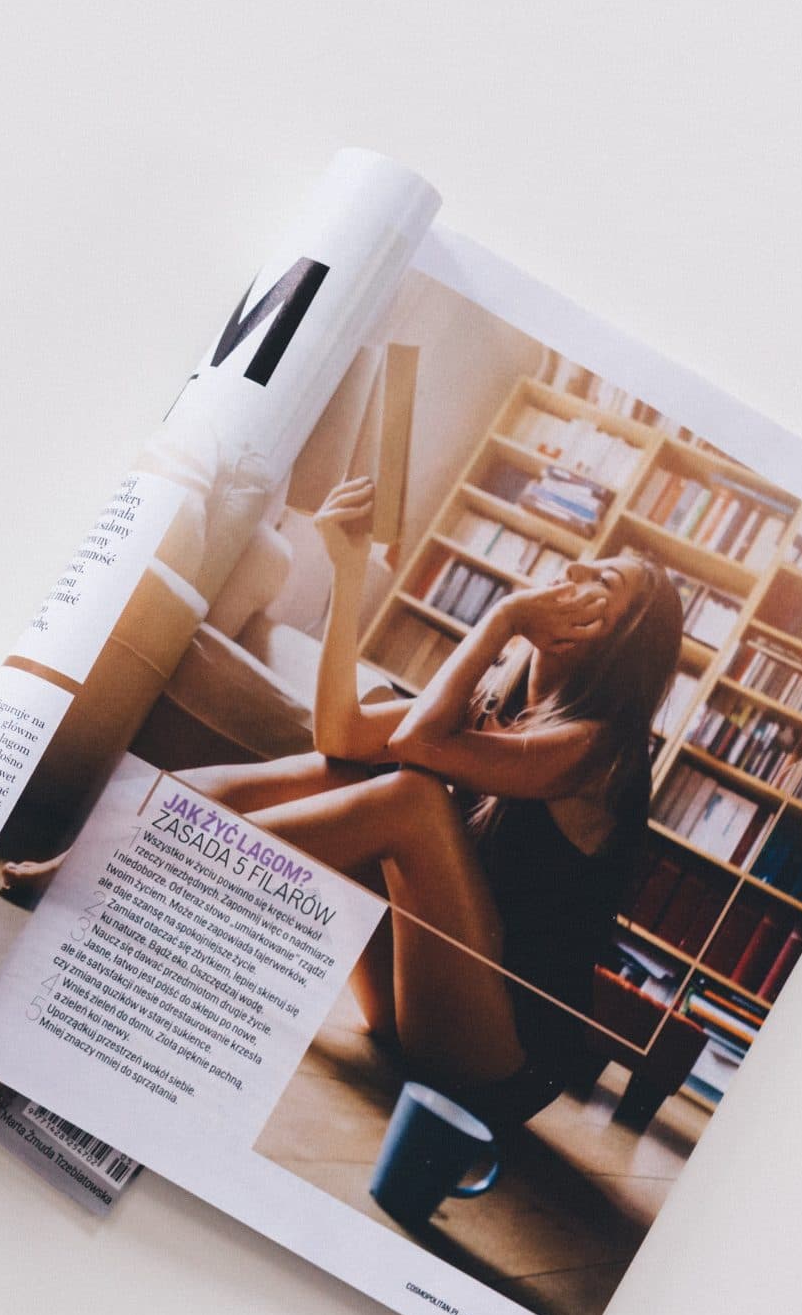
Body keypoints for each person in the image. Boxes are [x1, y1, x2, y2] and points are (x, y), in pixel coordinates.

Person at [180, 475, 683, 1128]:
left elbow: (416, 747)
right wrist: (350, 568)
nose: (575, 565)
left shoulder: (601, 751)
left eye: (603, 582)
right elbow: (338, 734)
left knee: (412, 796)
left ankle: (166, 872)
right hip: (415, 1004)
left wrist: (502, 619)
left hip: (502, 1062)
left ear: (623, 639)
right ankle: (128, 843)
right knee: (350, 768)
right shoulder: (498, 705)